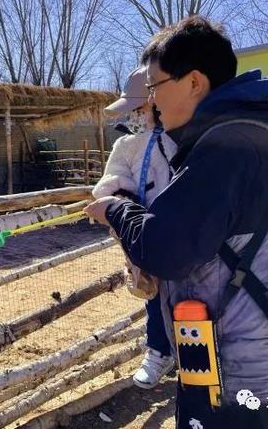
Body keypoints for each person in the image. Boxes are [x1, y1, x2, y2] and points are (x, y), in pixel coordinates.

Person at [84, 16, 268, 428]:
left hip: (239, 375)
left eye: (154, 87)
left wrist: (114, 209)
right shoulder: (261, 134)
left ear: (193, 82)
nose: (150, 101)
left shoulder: (226, 149)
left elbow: (166, 250)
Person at [92, 66, 176, 389]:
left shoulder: (181, 139)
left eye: (140, 108)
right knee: (153, 293)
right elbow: (109, 184)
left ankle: (191, 358)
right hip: (147, 233)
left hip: (183, 230)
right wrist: (121, 203)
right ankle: (157, 351)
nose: (138, 115)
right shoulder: (127, 147)